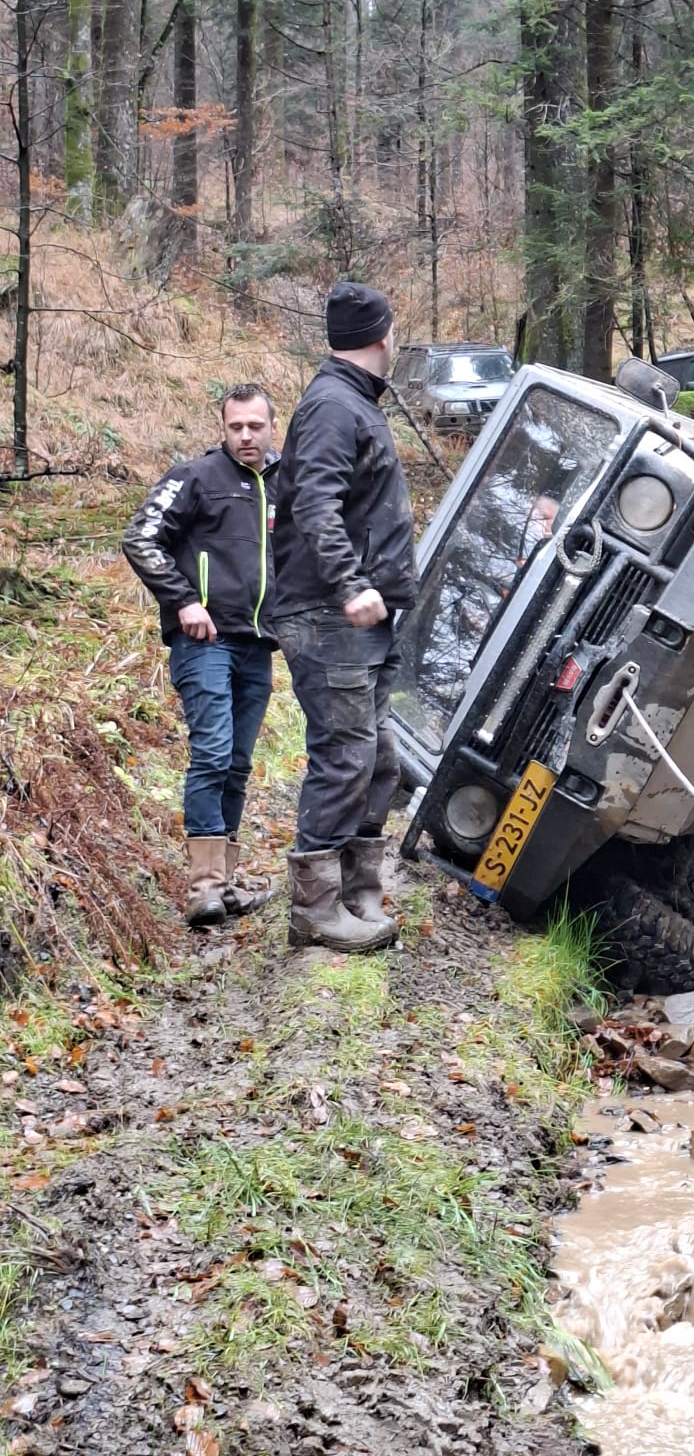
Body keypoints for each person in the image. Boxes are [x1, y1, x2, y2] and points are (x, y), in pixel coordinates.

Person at [273, 282, 417, 953]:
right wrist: (351, 585)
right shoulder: (333, 406)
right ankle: (315, 907)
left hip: (366, 620)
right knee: (345, 757)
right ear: (383, 336)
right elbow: (314, 504)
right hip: (332, 616)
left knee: (379, 758)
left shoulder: (352, 402)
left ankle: (360, 891)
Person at [122, 385, 280, 928]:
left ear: (270, 426)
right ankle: (203, 889)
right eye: (235, 426)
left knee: (236, 763)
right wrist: (184, 600)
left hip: (259, 645)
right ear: (223, 427)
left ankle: (226, 884)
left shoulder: (285, 485)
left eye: (255, 426)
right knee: (212, 753)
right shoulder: (195, 477)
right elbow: (141, 538)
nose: (245, 436)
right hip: (206, 641)